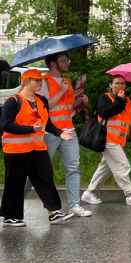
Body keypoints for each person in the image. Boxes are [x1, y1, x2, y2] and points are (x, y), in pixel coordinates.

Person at [1, 69, 75, 226]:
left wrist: (60, 132)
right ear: (26, 82)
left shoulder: (42, 100)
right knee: (15, 183)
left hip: (37, 148)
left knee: (45, 179)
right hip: (16, 150)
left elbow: (46, 123)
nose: (40, 83)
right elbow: (5, 125)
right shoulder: (13, 101)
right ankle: (10, 216)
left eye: (41, 80)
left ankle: (53, 212)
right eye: (36, 80)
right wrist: (30, 129)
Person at [25, 52, 91, 217]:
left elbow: (68, 109)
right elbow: (43, 107)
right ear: (53, 63)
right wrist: (61, 91)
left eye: (67, 59)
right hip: (49, 132)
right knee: (37, 169)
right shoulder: (43, 82)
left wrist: (80, 102)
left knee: (73, 168)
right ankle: (14, 202)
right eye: (63, 60)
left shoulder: (66, 81)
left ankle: (74, 205)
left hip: (68, 130)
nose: (67, 63)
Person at [82, 75, 131, 206]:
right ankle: (130, 194)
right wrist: (119, 100)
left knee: (105, 167)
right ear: (110, 85)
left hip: (119, 140)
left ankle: (89, 192)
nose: (120, 86)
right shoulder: (105, 98)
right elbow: (105, 112)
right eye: (117, 83)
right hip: (107, 138)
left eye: (123, 83)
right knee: (123, 165)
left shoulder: (127, 100)